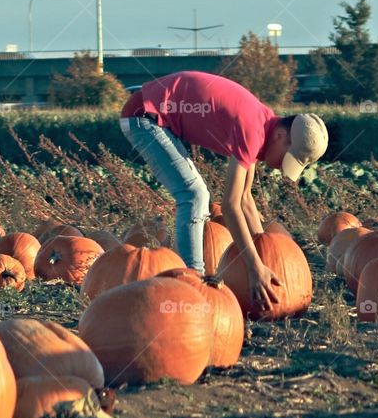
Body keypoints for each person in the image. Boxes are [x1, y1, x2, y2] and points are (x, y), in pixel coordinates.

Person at [120, 70, 327, 311]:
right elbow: (230, 205)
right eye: (287, 158)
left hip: (154, 116)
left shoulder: (263, 123)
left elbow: (245, 200)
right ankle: (192, 283)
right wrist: (254, 267)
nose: (282, 166)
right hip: (144, 116)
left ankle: (188, 278)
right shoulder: (253, 129)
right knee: (194, 195)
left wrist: (267, 252)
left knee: (197, 195)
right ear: (281, 136)